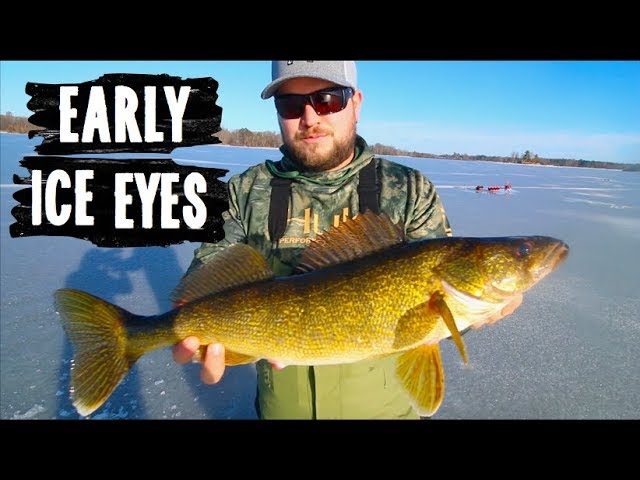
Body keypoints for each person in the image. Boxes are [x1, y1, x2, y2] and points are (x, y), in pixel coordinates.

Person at [172, 61, 518, 419]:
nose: (309, 118)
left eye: (327, 99)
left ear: (356, 103)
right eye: (290, 104)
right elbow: (203, 288)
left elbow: (436, 323)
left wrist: (477, 314)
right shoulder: (245, 192)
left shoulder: (411, 191)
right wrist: (193, 334)